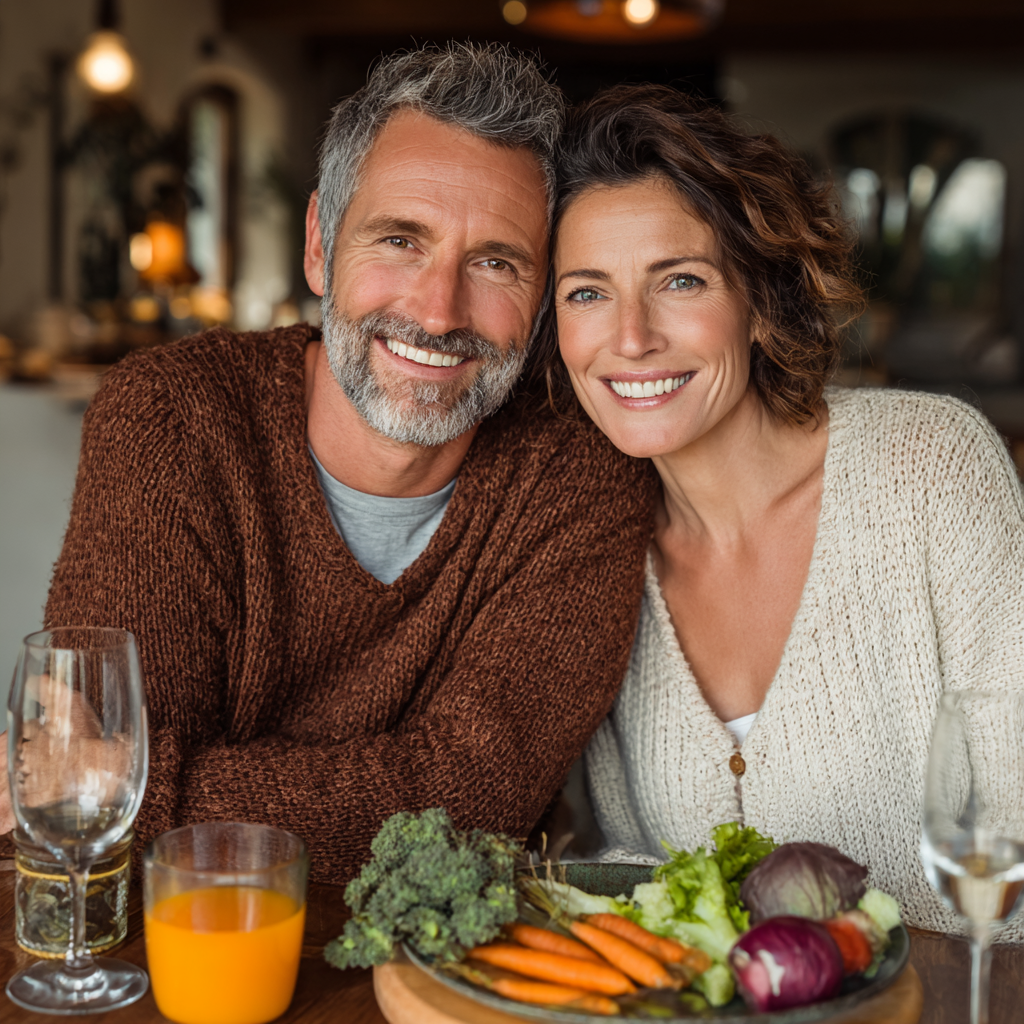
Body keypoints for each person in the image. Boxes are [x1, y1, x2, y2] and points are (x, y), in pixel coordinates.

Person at [0, 45, 656, 883]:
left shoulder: (580, 471)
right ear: (319, 245)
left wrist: (132, 786)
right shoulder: (172, 416)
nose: (438, 311)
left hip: (443, 953)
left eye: (496, 262)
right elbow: (101, 830)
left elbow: (474, 801)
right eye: (400, 240)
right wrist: (113, 785)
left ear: (541, 297)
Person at [543, 84, 1024, 931]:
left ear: (759, 298)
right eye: (587, 292)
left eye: (680, 280)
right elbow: (632, 870)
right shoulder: (593, 543)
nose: (631, 337)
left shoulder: (931, 469)